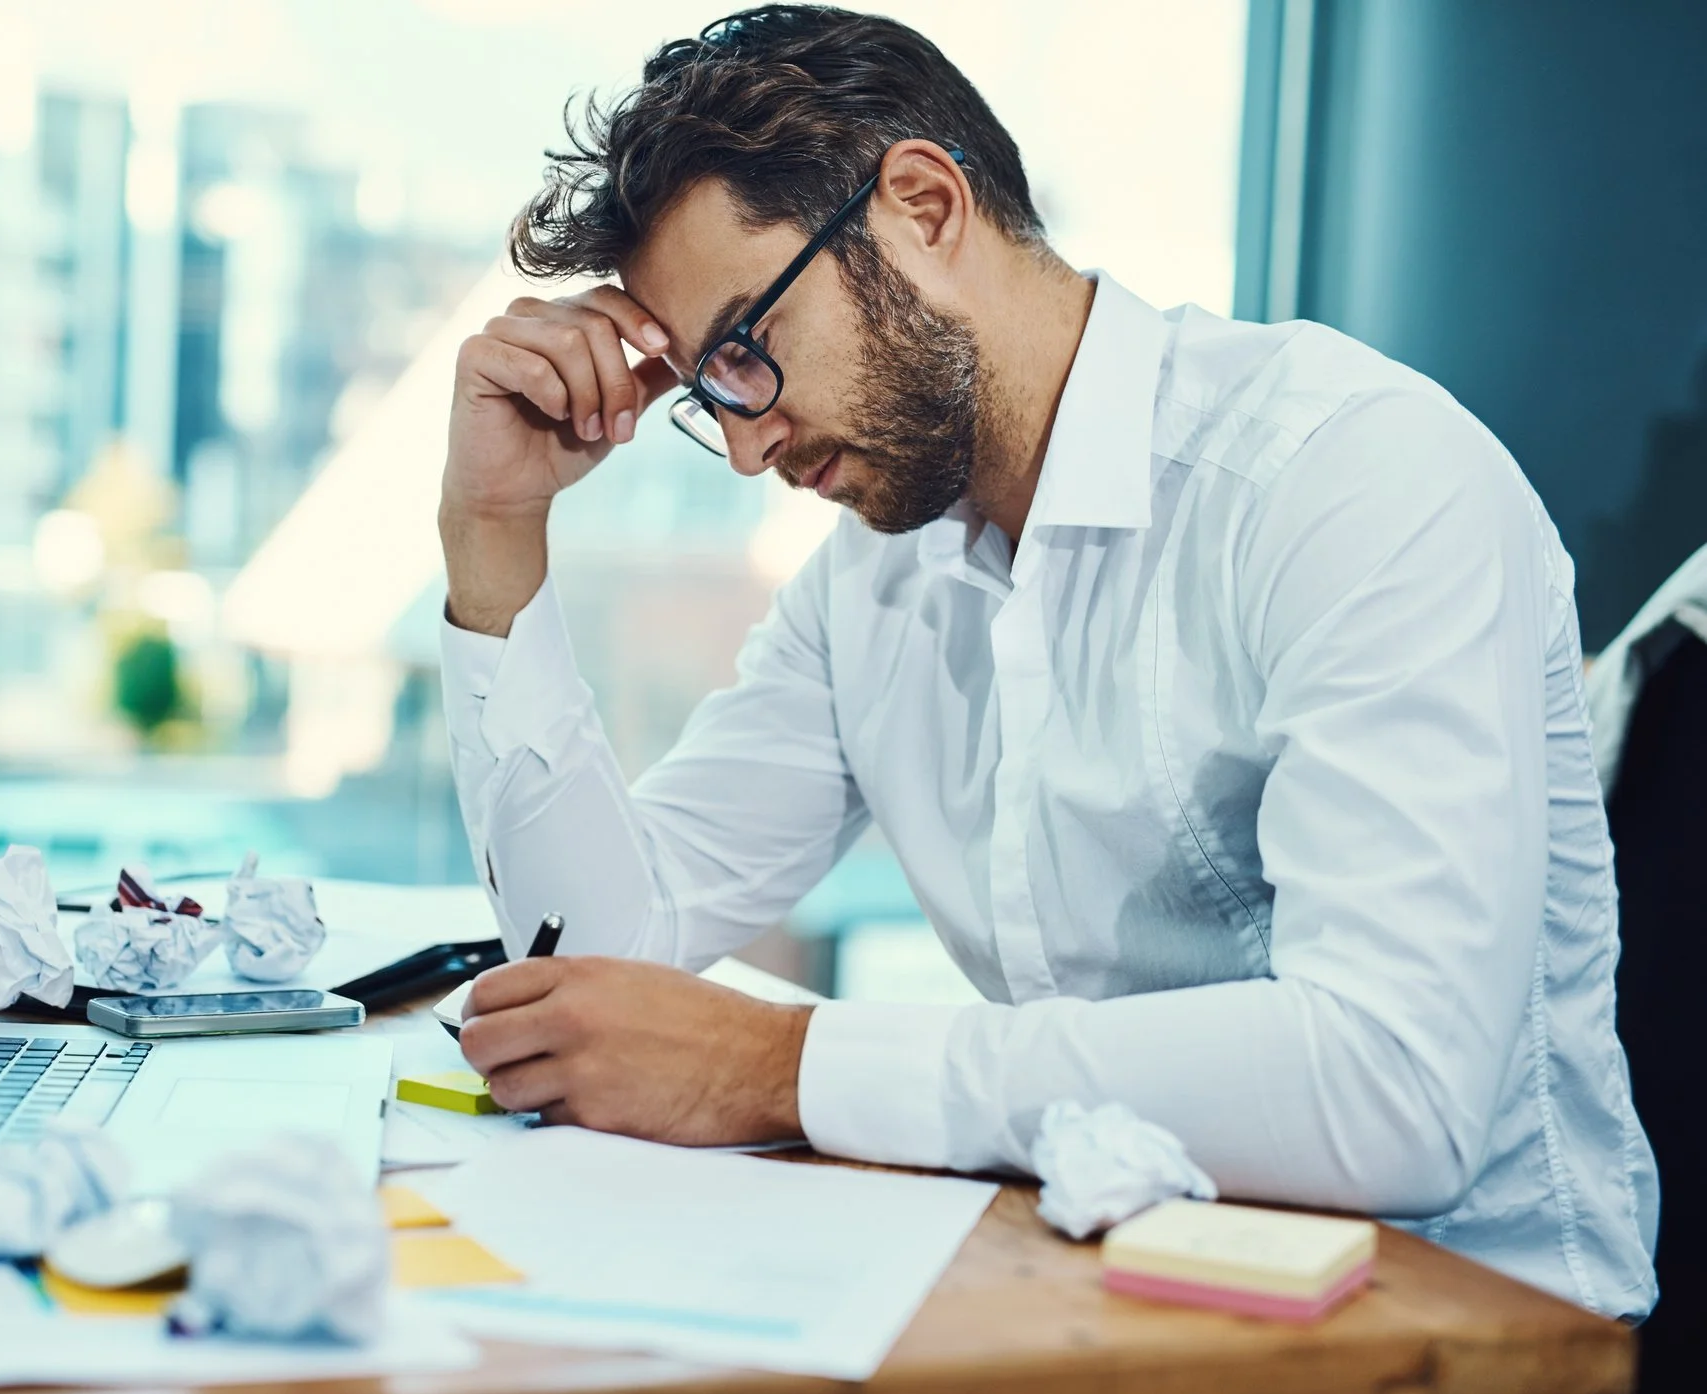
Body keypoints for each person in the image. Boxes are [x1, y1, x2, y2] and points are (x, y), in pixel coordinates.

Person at [435, 3, 1656, 1319]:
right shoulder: (873, 580)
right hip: (1107, 1300)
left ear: (920, 205)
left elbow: (1392, 1084)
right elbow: (605, 957)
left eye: (746, 347)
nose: (743, 446)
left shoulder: (1350, 478)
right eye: (704, 394)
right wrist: (493, 538)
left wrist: (787, 1064)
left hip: (1461, 1340)